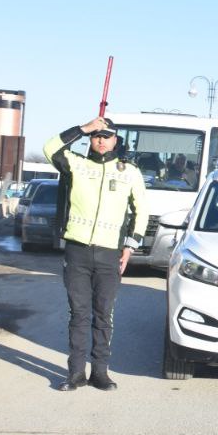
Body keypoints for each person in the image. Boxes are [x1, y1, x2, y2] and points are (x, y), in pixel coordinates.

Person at [45, 116, 148, 392]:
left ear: (116, 140)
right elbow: (50, 148)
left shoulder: (129, 171)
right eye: (96, 136)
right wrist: (81, 128)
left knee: (103, 315)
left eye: (106, 136)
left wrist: (130, 246)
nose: (101, 140)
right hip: (77, 252)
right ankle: (75, 373)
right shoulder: (77, 165)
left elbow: (142, 212)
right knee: (78, 314)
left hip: (109, 254)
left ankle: (100, 372)